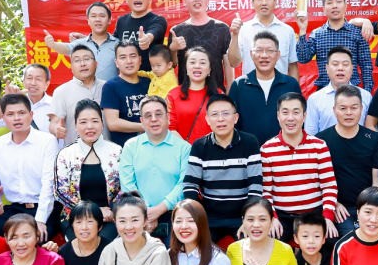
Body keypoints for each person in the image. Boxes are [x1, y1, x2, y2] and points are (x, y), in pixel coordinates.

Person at [0, 94, 59, 239]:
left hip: (42, 209)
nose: (16, 118)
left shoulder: (47, 141)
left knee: (34, 239)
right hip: (14, 209)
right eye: (10, 114)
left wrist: (40, 220)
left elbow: (49, 184)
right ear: (3, 118)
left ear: (31, 115)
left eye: (21, 113)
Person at [183, 94, 263, 243]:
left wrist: (249, 219)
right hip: (210, 217)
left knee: (249, 250)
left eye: (226, 114)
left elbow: (255, 185)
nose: (220, 119)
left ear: (236, 118)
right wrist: (196, 217)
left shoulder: (250, 142)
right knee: (199, 250)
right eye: (214, 114)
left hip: (242, 216)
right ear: (207, 119)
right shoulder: (200, 146)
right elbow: (190, 186)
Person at [261, 93, 339, 238]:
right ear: (278, 116)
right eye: (285, 112)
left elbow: (329, 185)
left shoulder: (319, 146)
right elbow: (266, 192)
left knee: (330, 239)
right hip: (282, 216)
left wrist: (327, 216)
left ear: (304, 116)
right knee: (270, 243)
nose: (290, 118)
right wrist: (272, 217)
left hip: (313, 214)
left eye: (296, 112)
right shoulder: (267, 149)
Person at [118, 95, 190, 240]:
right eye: (148, 116)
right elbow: (127, 184)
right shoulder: (131, 146)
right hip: (137, 216)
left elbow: (184, 184)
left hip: (174, 216)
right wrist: (145, 213)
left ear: (168, 117)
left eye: (158, 114)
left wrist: (159, 209)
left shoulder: (184, 148)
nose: (154, 119)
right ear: (141, 121)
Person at [318, 86, 378, 236]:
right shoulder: (321, 140)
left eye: (354, 108)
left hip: (368, 205)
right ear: (334, 110)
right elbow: (317, 181)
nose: (349, 113)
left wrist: (371, 210)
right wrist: (333, 203)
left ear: (361, 109)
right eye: (343, 108)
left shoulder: (374, 139)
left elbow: (376, 182)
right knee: (351, 237)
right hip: (338, 207)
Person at [54, 99, 122, 243]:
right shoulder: (66, 154)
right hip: (75, 217)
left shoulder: (117, 152)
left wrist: (113, 211)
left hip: (110, 217)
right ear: (75, 125)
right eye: (83, 122)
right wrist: (93, 212)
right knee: (82, 243)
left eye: (95, 121)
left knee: (103, 244)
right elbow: (60, 191)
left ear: (102, 124)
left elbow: (125, 187)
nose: (89, 127)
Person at [295, 0, 374, 91]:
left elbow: (366, 65)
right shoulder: (317, 34)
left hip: (351, 91)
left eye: (338, 2)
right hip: (324, 91)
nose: (334, 6)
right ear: (323, 8)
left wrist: (367, 93)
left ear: (345, 6)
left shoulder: (357, 33)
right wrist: (302, 29)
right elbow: (303, 58)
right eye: (330, 3)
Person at [229, 30, 299, 144]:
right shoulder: (239, 85)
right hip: (249, 151)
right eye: (259, 50)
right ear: (251, 54)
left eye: (270, 51)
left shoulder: (291, 84)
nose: (264, 55)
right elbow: (232, 124)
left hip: (284, 150)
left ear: (278, 55)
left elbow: (298, 121)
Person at [169, 0, 232, 90]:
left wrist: (230, 90)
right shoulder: (177, 31)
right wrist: (173, 49)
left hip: (215, 92)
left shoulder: (222, 28)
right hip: (187, 92)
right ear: (184, 1)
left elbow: (228, 64)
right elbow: (173, 64)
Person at [229, 0, 299, 78]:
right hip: (251, 86)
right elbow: (233, 63)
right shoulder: (243, 29)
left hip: (280, 86)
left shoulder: (287, 31)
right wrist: (234, 35)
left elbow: (292, 65)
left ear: (275, 2)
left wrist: (294, 87)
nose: (264, 3)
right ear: (252, 3)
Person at [46, 2, 121, 83]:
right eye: (93, 16)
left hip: (111, 90)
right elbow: (66, 48)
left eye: (102, 16)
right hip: (85, 90)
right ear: (88, 21)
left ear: (109, 20)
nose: (97, 19)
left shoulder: (118, 44)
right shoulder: (81, 44)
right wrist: (53, 44)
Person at [305, 47, 371, 135]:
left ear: (352, 68)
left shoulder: (365, 96)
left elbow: (370, 131)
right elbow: (310, 134)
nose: (340, 68)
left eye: (345, 64)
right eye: (335, 64)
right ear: (327, 68)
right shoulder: (315, 99)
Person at [49, 40, 103, 144]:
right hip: (76, 151)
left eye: (87, 59)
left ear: (96, 64)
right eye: (77, 60)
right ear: (71, 67)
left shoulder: (108, 87)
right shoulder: (61, 91)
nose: (82, 64)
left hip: (107, 150)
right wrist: (56, 129)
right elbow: (54, 122)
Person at [101, 42, 152, 146]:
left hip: (152, 145)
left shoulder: (149, 82)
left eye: (133, 56)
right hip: (125, 149)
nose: (129, 61)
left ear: (140, 60)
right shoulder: (111, 86)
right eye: (123, 57)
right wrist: (146, 126)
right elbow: (113, 123)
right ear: (116, 63)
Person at [167, 47, 220, 143]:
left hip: (213, 150)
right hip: (183, 150)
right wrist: (189, 149)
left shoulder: (219, 95)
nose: (197, 66)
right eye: (192, 62)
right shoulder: (173, 95)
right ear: (186, 68)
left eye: (202, 63)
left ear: (209, 70)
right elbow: (170, 127)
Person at [114, 0, 168, 70]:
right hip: (127, 76)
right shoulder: (121, 21)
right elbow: (113, 41)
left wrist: (147, 38)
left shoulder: (158, 20)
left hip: (151, 77)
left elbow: (155, 30)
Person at [21, 63, 57, 133]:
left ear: (46, 84)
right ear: (24, 82)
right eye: (29, 78)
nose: (33, 83)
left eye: (38, 79)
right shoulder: (16, 104)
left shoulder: (55, 106)